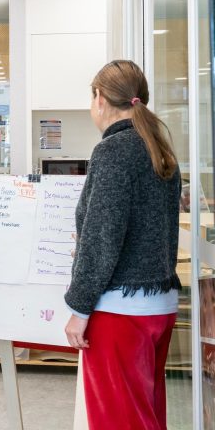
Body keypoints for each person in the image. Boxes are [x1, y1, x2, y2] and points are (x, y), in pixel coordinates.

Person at [63, 60, 181, 429]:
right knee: (145, 416)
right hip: (159, 305)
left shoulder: (113, 151)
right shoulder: (160, 150)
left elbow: (102, 237)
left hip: (120, 312)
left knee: (119, 421)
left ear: (99, 99)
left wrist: (79, 309)